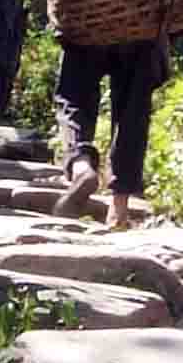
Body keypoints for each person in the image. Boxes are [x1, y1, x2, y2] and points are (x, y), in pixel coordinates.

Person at [55, 35, 167, 230]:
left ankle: (81, 165)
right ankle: (118, 209)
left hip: (87, 19)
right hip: (143, 25)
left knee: (74, 97)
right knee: (132, 112)